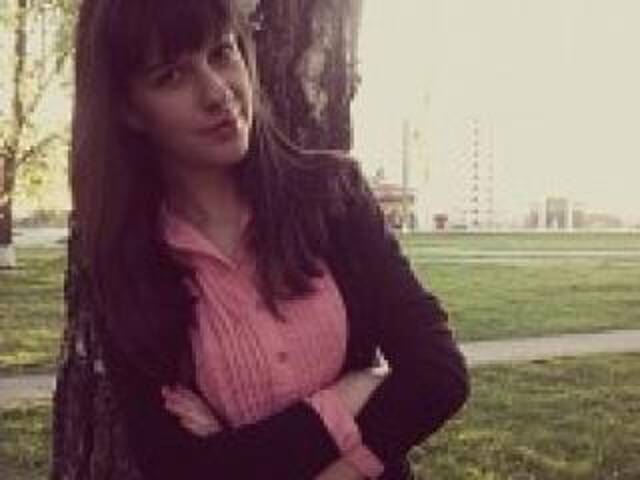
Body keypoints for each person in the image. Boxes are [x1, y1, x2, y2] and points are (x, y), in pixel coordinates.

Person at [71, 1, 470, 479]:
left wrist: (334, 468)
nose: (218, 92)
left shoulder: (333, 197)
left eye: (221, 53)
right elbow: (176, 467)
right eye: (171, 76)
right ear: (129, 110)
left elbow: (438, 375)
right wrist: (349, 395)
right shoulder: (128, 264)